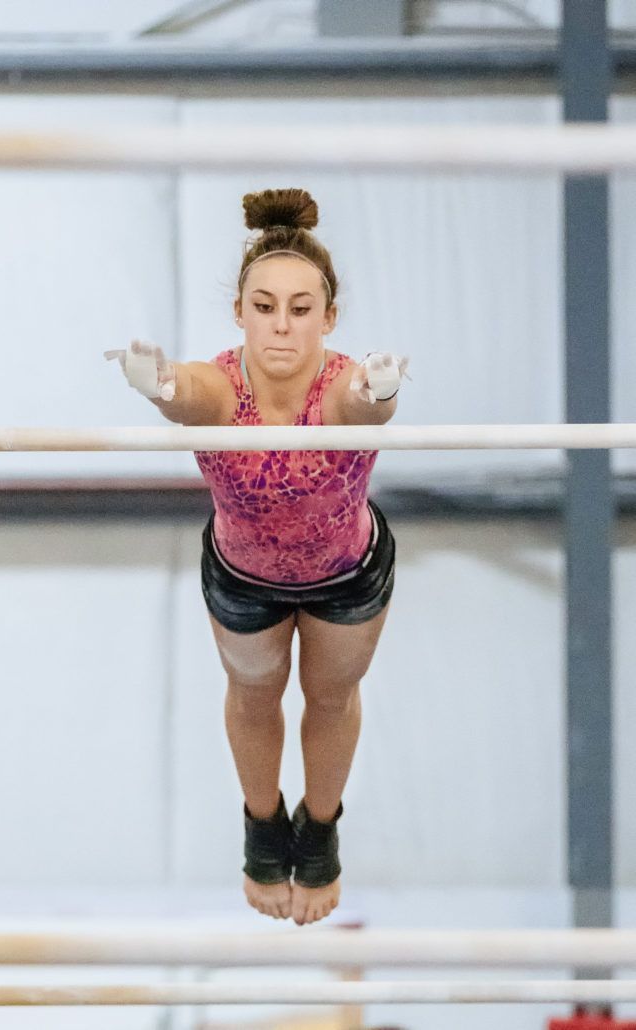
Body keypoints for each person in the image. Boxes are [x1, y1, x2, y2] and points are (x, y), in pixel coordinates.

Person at [106, 188, 408, 926]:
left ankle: (320, 835)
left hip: (346, 573)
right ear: (239, 311)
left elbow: (358, 408)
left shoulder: (342, 384)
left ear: (328, 317)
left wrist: (380, 396)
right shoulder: (222, 385)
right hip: (244, 576)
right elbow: (189, 394)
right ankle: (262, 830)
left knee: (330, 697)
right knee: (253, 694)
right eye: (264, 306)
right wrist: (160, 387)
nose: (281, 324)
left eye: (301, 309)